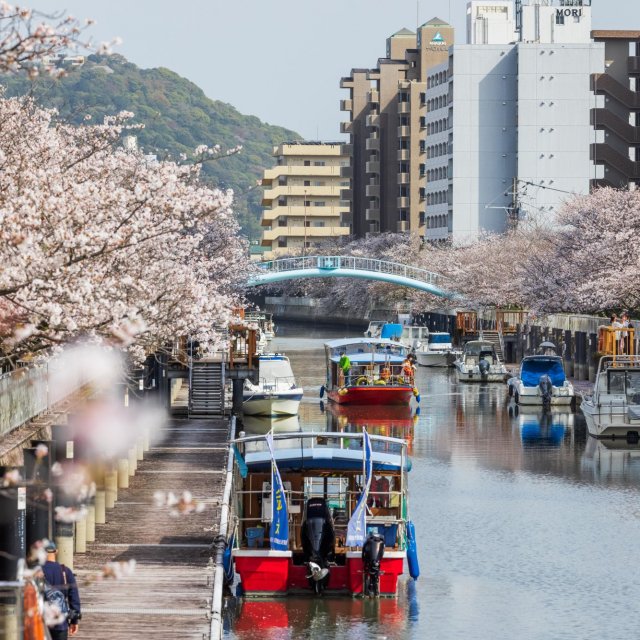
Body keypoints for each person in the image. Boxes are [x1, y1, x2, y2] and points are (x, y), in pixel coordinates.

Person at [42, 542, 81, 639]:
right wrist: (74, 621)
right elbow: (74, 598)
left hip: (41, 621)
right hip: (60, 622)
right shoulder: (65, 571)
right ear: (56, 552)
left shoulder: (38, 571)